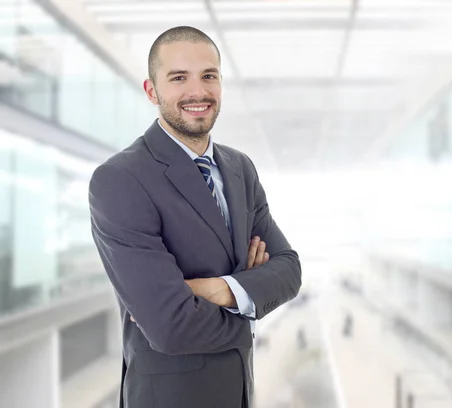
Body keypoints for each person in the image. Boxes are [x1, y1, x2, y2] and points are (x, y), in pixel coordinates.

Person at [88, 26, 302, 408]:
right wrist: (250, 299)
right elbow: (170, 327)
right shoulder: (121, 179)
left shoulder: (240, 167)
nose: (197, 92)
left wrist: (211, 290)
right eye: (178, 78)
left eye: (208, 76)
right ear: (151, 91)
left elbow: (289, 270)